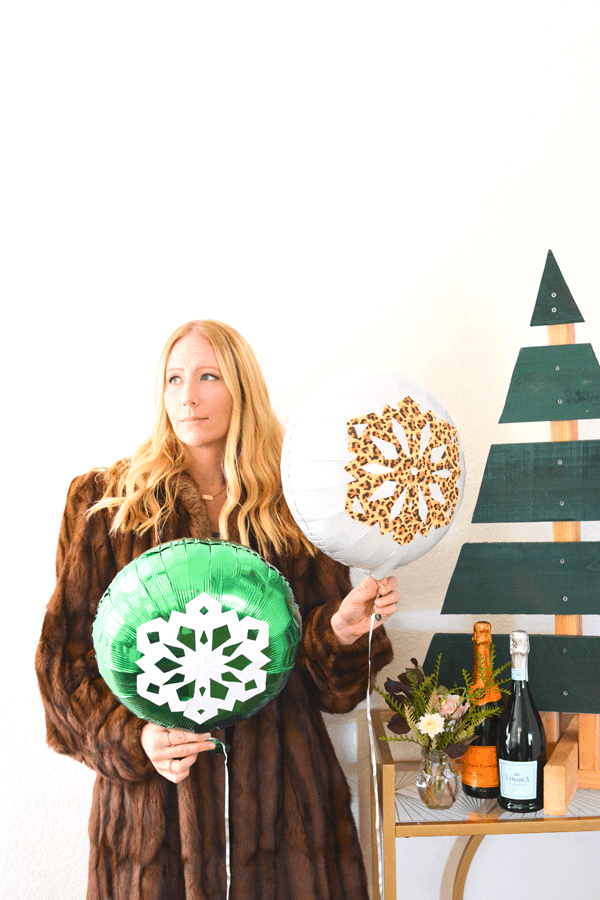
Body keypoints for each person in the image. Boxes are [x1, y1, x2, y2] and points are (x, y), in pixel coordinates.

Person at [36, 320, 398, 900]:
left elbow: (332, 690)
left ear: (242, 389)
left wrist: (341, 631)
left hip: (287, 813)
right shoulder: (106, 507)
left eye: (209, 376)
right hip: (152, 826)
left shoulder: (297, 503)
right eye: (174, 379)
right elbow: (66, 667)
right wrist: (136, 738)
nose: (189, 396)